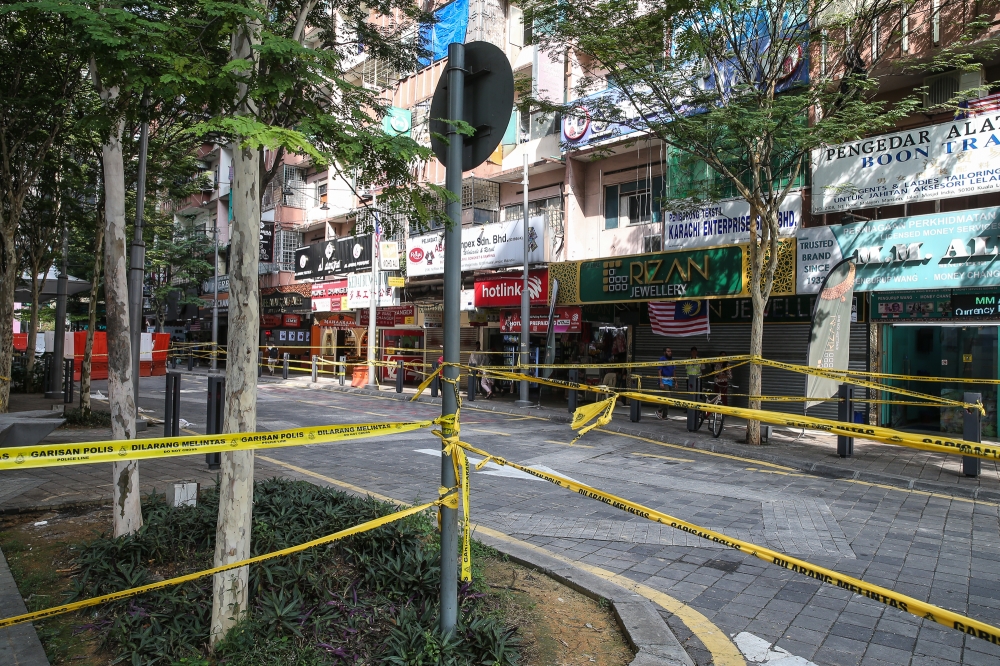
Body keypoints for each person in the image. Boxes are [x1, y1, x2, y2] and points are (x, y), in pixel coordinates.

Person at [655, 347, 674, 420]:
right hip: (664, 381)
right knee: (668, 397)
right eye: (668, 351)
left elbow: (674, 371)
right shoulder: (662, 359)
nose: (670, 352)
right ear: (664, 352)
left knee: (667, 399)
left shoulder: (672, 360)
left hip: (670, 381)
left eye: (670, 351)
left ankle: (664, 416)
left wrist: (676, 381)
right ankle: (659, 410)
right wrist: (661, 382)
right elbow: (659, 371)